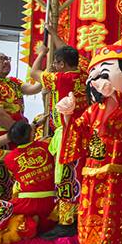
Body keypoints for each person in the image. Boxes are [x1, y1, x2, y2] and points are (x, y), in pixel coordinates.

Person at [58, 39, 122, 244]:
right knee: (89, 215)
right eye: (93, 74)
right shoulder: (92, 109)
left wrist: (114, 95)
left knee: (112, 216)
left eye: (104, 73)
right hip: (93, 170)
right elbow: (78, 132)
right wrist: (67, 115)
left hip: (118, 172)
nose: (96, 79)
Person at [30, 37, 88, 233]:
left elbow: (34, 73)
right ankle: (79, 217)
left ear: (62, 64)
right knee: (79, 174)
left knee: (66, 175)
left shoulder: (62, 78)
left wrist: (41, 54)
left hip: (68, 134)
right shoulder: (85, 76)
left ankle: (66, 221)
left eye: (55, 63)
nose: (53, 66)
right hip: (85, 133)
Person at [0, 51, 42, 201]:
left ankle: (13, 204)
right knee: (1, 175)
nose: (5, 62)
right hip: (0, 136)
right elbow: (0, 115)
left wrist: (46, 71)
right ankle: (0, 205)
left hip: (15, 133)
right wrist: (21, 133)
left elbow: (34, 89)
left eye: (7, 59)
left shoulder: (12, 81)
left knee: (16, 173)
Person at [3, 119, 57, 236]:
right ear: (32, 133)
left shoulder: (9, 158)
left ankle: (30, 224)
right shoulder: (46, 146)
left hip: (27, 203)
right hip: (51, 201)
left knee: (3, 214)